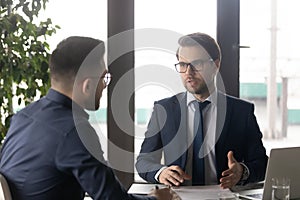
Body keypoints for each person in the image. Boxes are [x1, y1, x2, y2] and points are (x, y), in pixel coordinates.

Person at [0, 36, 178, 200]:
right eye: (104, 78)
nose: (105, 86)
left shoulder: (23, 117)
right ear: (87, 85)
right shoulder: (74, 131)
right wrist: (157, 199)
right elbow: (112, 198)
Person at [136, 32, 268, 189]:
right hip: (178, 197)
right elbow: (143, 161)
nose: (188, 73)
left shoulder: (242, 112)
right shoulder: (163, 110)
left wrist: (242, 172)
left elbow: (261, 163)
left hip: (224, 196)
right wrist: (161, 172)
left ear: (215, 65)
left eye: (196, 64)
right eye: (183, 65)